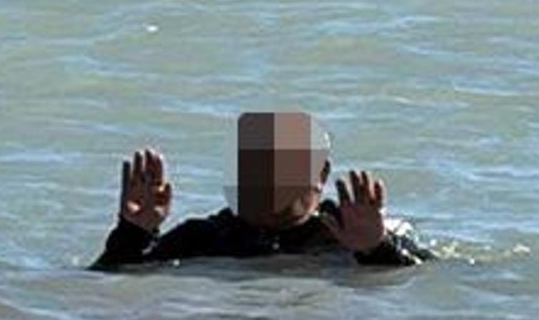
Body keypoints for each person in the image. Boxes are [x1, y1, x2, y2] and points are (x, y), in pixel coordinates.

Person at [91, 111, 432, 270]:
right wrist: (133, 232)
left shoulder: (349, 232)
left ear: (321, 173)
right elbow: (113, 282)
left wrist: (376, 250)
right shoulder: (204, 237)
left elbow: (428, 286)